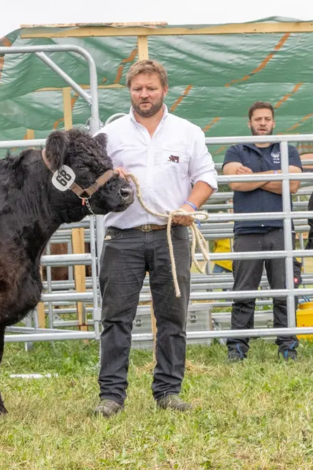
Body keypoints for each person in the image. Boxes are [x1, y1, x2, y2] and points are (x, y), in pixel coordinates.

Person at [93, 60, 218, 417]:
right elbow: (92, 179)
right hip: (122, 237)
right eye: (137, 88)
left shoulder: (187, 132)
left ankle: (168, 391)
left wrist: (188, 205)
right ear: (129, 91)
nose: (144, 94)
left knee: (172, 317)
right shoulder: (111, 133)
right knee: (116, 318)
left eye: (150, 88)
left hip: (171, 233)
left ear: (164, 89)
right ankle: (112, 396)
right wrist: (108, 176)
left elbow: (206, 176)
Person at [223, 101, 303, 362]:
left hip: (281, 228)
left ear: (273, 122)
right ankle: (237, 347)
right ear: (249, 122)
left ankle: (287, 345)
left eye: (267, 118)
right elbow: (234, 181)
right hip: (247, 231)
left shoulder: (287, 149)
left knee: (283, 291)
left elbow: (292, 186)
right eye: (257, 119)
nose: (262, 123)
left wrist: (254, 177)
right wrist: (277, 176)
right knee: (244, 291)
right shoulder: (236, 150)